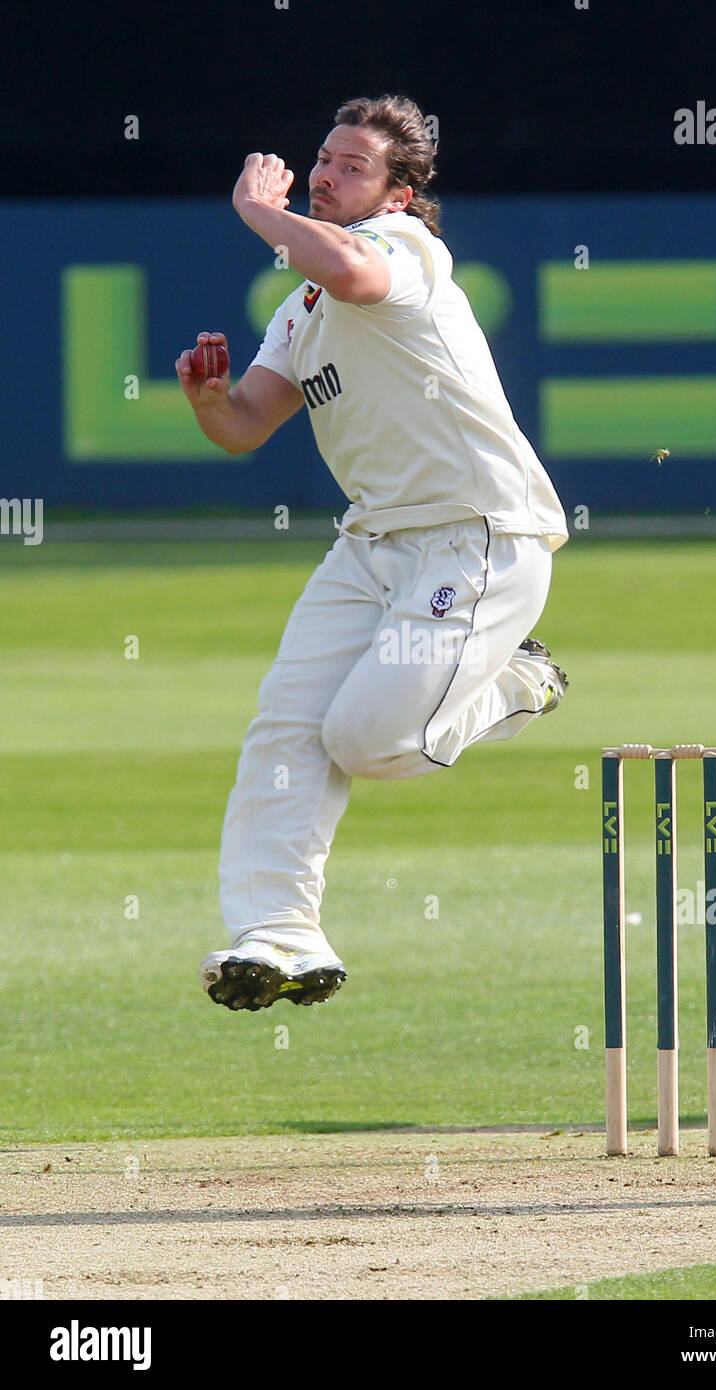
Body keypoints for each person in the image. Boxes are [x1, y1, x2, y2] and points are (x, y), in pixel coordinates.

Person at [175, 94, 569, 1013]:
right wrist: (208, 400)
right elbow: (246, 425)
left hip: (474, 540)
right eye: (322, 156)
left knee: (368, 740)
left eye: (352, 166)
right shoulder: (301, 305)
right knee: (285, 729)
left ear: (398, 193)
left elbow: (351, 268)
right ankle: (279, 934)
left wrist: (260, 214)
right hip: (370, 543)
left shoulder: (404, 254)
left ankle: (512, 685)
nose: (323, 175)